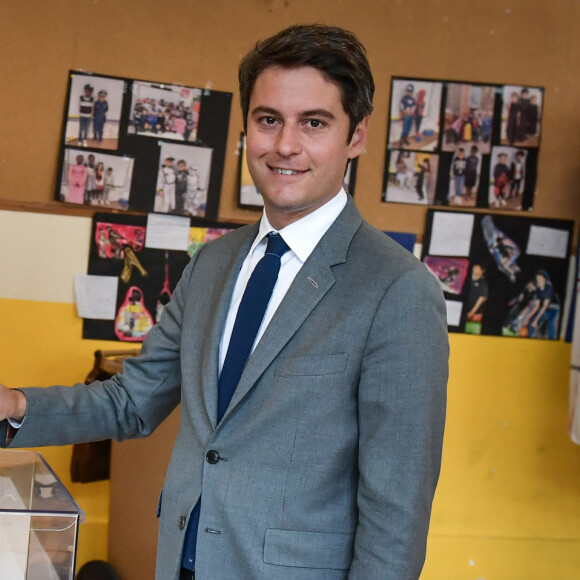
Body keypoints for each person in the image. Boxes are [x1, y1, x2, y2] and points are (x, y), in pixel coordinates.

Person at [0, 24, 448, 580]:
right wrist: (14, 405)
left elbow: (397, 511)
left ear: (356, 136)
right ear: (246, 130)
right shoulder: (213, 264)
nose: (285, 145)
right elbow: (131, 401)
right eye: (268, 120)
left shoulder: (398, 289)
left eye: (314, 122)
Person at [399, 82, 416, 147]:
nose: (409, 92)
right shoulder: (403, 99)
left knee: (408, 129)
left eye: (410, 91)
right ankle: (401, 142)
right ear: (406, 91)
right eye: (408, 91)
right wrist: (401, 119)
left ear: (412, 92)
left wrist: (414, 118)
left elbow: (414, 109)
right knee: (404, 130)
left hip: (411, 117)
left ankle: (405, 140)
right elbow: (401, 109)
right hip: (405, 117)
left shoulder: (413, 100)